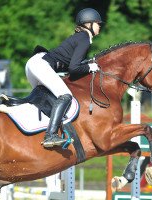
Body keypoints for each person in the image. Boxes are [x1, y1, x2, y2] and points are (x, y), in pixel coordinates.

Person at [25, 8, 103, 148]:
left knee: (45, 99)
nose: (100, 26)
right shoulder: (84, 38)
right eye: (97, 23)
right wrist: (90, 68)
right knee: (66, 95)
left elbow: (70, 66)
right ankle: (50, 135)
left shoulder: (79, 37)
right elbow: (74, 69)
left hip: (34, 63)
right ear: (89, 24)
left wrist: (85, 65)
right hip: (41, 65)